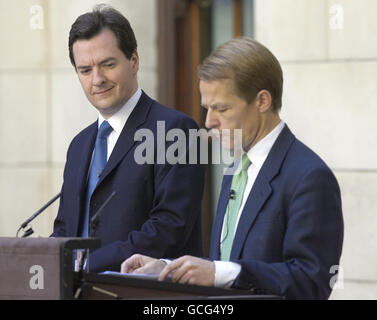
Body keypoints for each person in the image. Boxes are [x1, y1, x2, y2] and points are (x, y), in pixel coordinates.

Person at [121, 37, 344, 300]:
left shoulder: (310, 177)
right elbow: (229, 262)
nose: (209, 121)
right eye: (207, 108)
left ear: (262, 101)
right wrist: (169, 269)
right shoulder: (234, 169)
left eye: (222, 108)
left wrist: (218, 272)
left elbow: (310, 282)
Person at [51, 5, 205, 272]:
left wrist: (85, 264)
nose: (97, 79)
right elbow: (65, 228)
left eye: (108, 65)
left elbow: (168, 229)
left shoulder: (176, 131)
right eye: (85, 70)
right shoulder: (79, 145)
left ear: (133, 61)